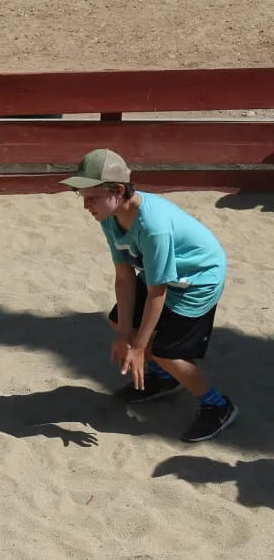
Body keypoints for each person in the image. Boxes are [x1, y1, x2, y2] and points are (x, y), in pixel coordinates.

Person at [61, 148, 237, 443]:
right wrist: (124, 337)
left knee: (167, 352)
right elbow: (124, 276)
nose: (85, 206)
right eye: (82, 198)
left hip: (197, 280)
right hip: (163, 275)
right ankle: (165, 380)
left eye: (91, 197)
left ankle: (217, 406)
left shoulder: (153, 228)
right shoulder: (110, 217)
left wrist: (141, 348)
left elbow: (158, 291)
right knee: (120, 323)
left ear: (117, 190)